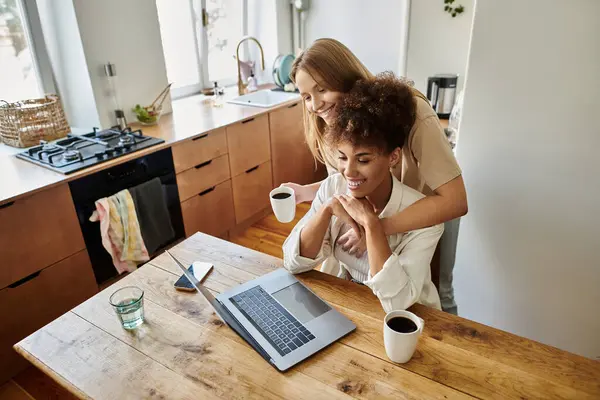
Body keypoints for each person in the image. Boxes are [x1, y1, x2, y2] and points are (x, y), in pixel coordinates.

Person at [282, 38, 467, 315]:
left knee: (438, 295)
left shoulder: (411, 113)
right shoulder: (336, 122)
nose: (315, 105)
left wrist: (375, 226)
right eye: (306, 96)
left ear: (343, 78)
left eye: (322, 89)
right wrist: (309, 193)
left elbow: (454, 201)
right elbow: (350, 178)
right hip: (380, 213)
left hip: (429, 209)